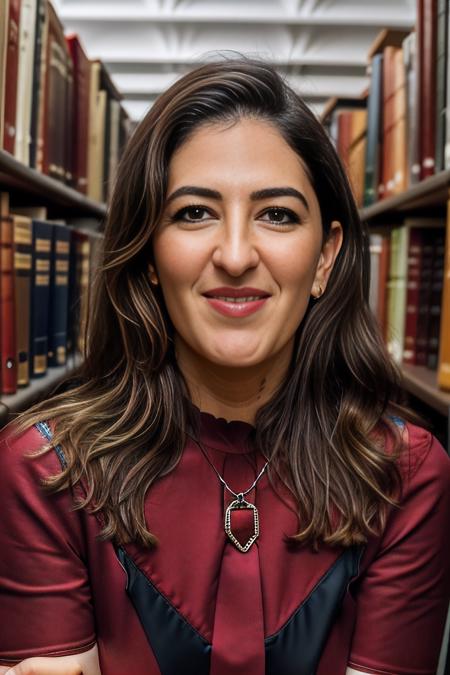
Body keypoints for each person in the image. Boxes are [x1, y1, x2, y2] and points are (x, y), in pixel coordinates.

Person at [0, 57, 449, 675]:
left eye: (277, 214)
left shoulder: (405, 476)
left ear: (325, 258)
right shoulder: (45, 469)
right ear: (149, 254)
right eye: (193, 213)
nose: (236, 255)